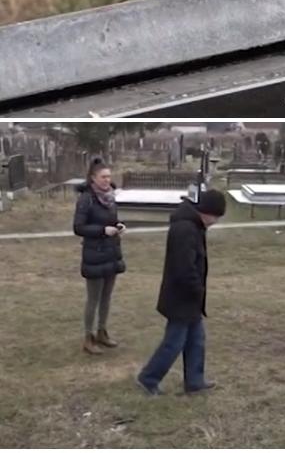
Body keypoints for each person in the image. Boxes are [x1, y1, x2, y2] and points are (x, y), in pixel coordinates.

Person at [136, 190, 227, 396]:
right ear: (207, 212)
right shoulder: (185, 229)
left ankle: (194, 381)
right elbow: (183, 267)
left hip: (190, 297)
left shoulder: (194, 226)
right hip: (181, 296)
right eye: (216, 217)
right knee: (174, 343)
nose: (216, 222)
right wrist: (196, 289)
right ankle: (148, 378)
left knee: (197, 340)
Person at [74, 158, 127, 355]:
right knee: (93, 298)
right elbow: (78, 227)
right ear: (93, 178)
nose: (107, 180)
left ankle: (102, 332)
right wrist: (102, 230)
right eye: (103, 177)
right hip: (95, 254)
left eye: (109, 176)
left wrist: (118, 225)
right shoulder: (86, 199)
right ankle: (88, 338)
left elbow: (112, 219)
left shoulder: (110, 197)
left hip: (111, 252)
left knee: (107, 297)